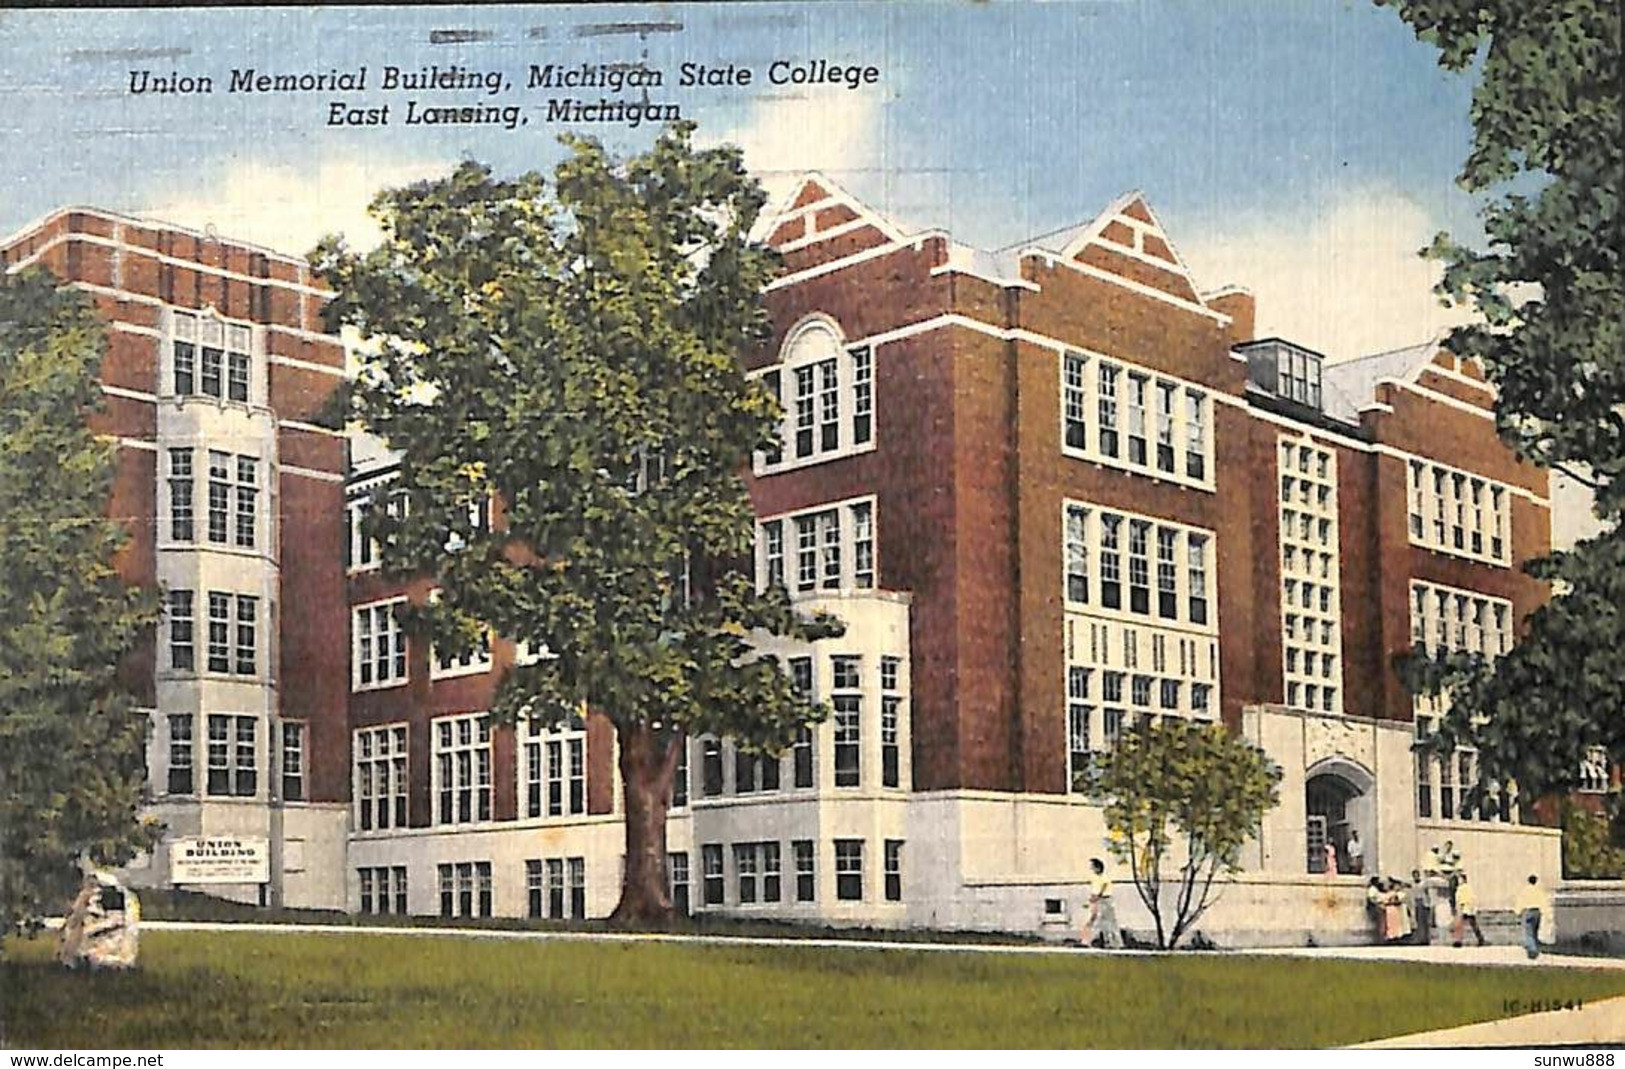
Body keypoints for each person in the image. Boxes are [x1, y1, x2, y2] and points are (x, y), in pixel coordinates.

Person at [1085, 857, 1123, 949]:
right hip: (1100, 900)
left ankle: (1115, 943)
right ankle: (1107, 942)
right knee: (1103, 922)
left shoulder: (1104, 878)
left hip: (1106, 900)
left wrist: (1096, 897)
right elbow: (1095, 890)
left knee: (1109, 921)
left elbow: (1102, 889)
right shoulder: (1096, 878)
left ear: (1098, 868)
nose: (1092, 869)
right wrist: (1092, 898)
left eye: (1093, 867)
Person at [1514, 873, 1547, 960]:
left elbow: (1521, 901)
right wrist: (1544, 912)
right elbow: (1543, 901)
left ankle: (1533, 950)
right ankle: (1535, 947)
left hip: (1529, 911)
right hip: (1537, 912)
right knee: (1535, 931)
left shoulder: (1525, 891)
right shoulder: (1539, 891)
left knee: (1528, 932)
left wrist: (1518, 912)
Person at [1452, 871, 1486, 947]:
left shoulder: (1462, 888)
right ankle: (1480, 939)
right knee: (1472, 924)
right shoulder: (1467, 888)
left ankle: (1458, 941)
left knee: (1460, 925)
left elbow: (1462, 899)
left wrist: (1460, 907)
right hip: (1468, 908)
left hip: (1464, 908)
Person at [1409, 868, 1432, 945]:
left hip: (1423, 902)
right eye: (1414, 876)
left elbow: (1427, 894)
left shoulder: (1423, 883)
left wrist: (1428, 904)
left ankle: (1426, 938)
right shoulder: (1412, 884)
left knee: (1425, 922)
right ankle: (1420, 938)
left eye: (1416, 875)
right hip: (1417, 902)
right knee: (1418, 921)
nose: (1415, 877)